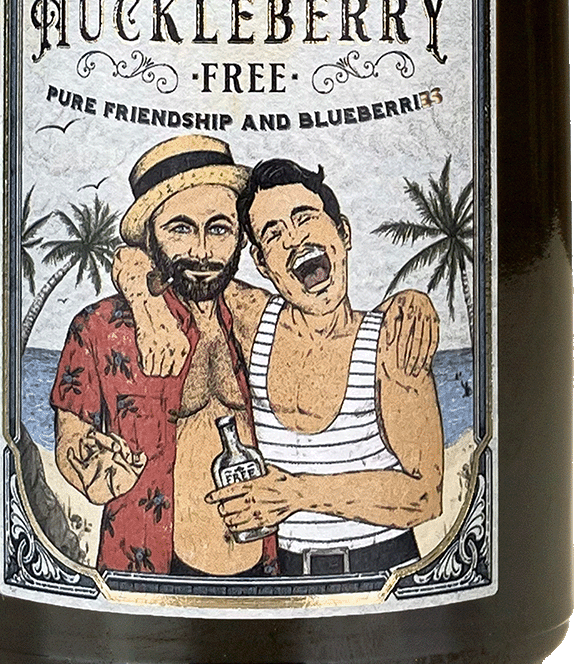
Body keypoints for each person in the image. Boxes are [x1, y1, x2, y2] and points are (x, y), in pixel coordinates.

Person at [204, 158, 444, 579]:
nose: (294, 239)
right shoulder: (253, 319)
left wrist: (297, 494)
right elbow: (164, 261)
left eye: (305, 217)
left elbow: (425, 496)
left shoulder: (391, 340)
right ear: (263, 264)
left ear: (343, 233)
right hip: (285, 575)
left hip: (381, 573)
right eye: (273, 233)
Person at [49, 134, 273, 577]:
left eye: (219, 228)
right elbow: (71, 440)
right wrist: (91, 467)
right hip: (146, 565)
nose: (203, 251)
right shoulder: (100, 327)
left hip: (267, 567)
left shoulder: (262, 318)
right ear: (150, 238)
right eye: (180, 229)